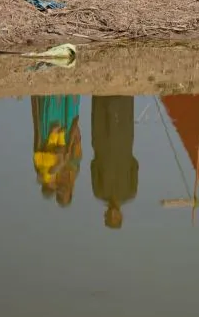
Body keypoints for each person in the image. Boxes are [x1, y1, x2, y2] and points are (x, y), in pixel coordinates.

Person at [90, 96, 138, 229]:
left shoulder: (99, 192)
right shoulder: (130, 192)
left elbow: (93, 166)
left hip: (102, 146)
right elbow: (135, 166)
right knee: (124, 113)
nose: (112, 215)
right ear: (121, 216)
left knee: (101, 116)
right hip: (124, 146)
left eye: (110, 217)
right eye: (115, 218)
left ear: (105, 214)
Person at [30, 94, 82, 207]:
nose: (62, 191)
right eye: (65, 194)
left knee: (51, 110)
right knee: (68, 106)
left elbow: (39, 155)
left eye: (60, 194)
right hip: (68, 133)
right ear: (70, 192)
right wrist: (74, 129)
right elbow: (76, 150)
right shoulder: (73, 173)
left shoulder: (49, 176)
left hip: (48, 138)